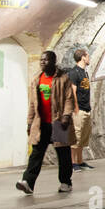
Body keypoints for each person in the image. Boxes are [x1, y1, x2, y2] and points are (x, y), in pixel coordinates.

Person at [18, 50, 78, 193]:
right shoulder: (36, 79)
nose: (42, 62)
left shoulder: (63, 78)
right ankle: (28, 182)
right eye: (41, 60)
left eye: (46, 60)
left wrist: (66, 116)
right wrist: (29, 122)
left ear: (53, 61)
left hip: (58, 122)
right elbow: (33, 104)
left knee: (63, 153)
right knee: (36, 153)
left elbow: (69, 98)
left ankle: (66, 182)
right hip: (41, 123)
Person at [68, 46, 95, 170]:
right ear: (83, 57)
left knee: (83, 138)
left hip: (86, 108)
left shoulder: (85, 72)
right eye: (88, 56)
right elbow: (73, 91)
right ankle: (73, 163)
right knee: (76, 137)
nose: (89, 58)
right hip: (78, 110)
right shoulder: (74, 72)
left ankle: (80, 161)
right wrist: (76, 108)